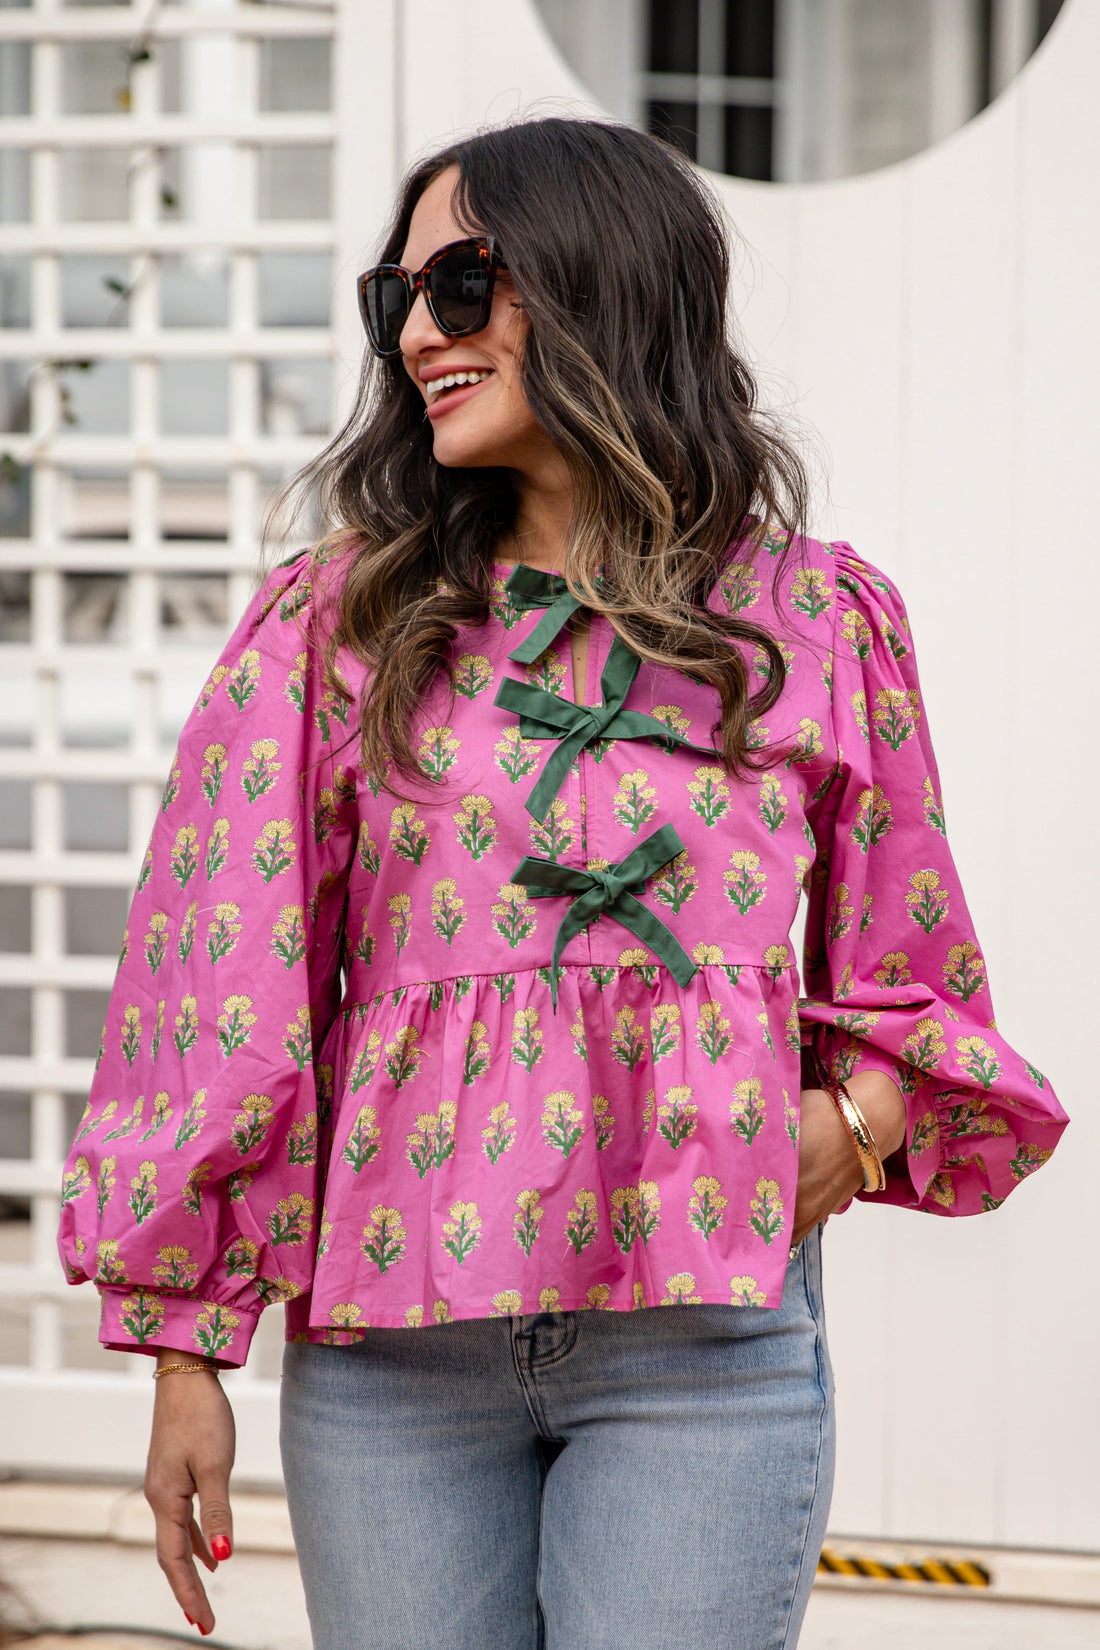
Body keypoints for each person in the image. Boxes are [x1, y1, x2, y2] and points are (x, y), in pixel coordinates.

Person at [57, 117, 1067, 1650]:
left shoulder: (818, 617)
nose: (412, 334)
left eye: (460, 286)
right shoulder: (338, 623)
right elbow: (219, 984)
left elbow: (914, 969)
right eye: (392, 297)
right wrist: (183, 1353)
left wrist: (849, 1126)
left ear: (604, 284)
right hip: (395, 1365)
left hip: (705, 1351)